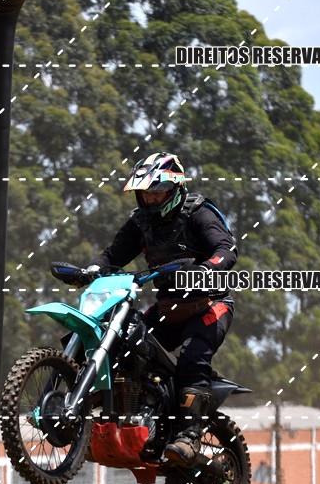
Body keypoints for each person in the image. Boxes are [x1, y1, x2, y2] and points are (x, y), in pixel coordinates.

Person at [87, 152, 237, 466]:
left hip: (209, 305)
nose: (151, 199)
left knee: (193, 360)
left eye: (158, 192)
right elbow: (113, 256)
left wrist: (208, 268)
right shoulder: (140, 222)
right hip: (167, 308)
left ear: (175, 189)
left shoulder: (198, 212)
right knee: (125, 343)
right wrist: (92, 270)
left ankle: (189, 436)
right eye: (146, 194)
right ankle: (117, 413)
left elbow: (226, 248)